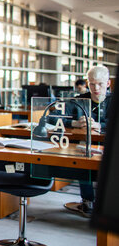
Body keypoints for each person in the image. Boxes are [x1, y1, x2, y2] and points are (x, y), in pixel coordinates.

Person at [64, 65, 112, 218]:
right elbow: (54, 117)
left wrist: (100, 125)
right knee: (83, 154)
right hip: (85, 146)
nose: (95, 88)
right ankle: (88, 200)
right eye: (91, 84)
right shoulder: (78, 101)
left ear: (108, 83)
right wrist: (75, 123)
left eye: (100, 84)